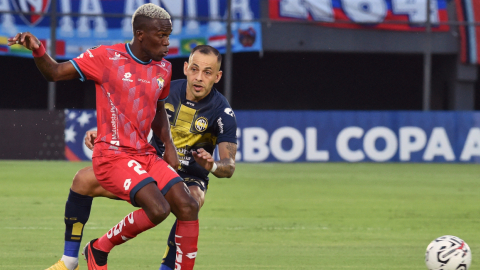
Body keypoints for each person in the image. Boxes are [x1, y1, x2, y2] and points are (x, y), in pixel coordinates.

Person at [8, 4, 200, 270]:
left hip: (144, 153)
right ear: (140, 34)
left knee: (188, 205)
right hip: (112, 155)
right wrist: (38, 48)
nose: (167, 42)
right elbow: (53, 72)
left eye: (169, 35)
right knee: (159, 209)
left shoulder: (164, 68)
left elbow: (157, 111)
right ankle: (98, 248)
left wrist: (168, 145)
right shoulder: (106, 57)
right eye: (161, 35)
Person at [42, 45, 238, 270]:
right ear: (185, 68)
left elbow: (228, 166)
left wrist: (213, 165)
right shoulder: (164, 88)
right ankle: (70, 260)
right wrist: (106, 133)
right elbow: (132, 116)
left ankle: (159, 264)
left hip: (190, 178)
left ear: (217, 76)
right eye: (195, 69)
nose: (199, 77)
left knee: (189, 203)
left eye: (207, 72)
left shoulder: (223, 112)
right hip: (148, 163)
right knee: (82, 181)